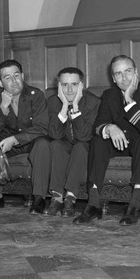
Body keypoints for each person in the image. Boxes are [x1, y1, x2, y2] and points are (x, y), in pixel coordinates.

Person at [73, 55, 140, 226]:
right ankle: (93, 205)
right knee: (98, 141)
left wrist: (129, 100)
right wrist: (109, 128)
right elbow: (98, 125)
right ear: (113, 78)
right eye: (118, 74)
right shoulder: (109, 95)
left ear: (136, 72)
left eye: (128, 71)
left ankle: (134, 206)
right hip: (121, 143)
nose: (124, 78)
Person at [0, 59, 50, 214]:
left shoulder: (35, 95)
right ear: (0, 82)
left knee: (43, 144)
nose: (14, 81)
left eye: (16, 75)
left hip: (32, 142)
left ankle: (39, 198)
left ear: (22, 76)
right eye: (7, 78)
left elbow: (42, 128)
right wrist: (3, 108)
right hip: (7, 143)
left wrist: (15, 140)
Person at [44, 67, 100, 218]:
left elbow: (84, 136)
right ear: (58, 86)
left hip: (85, 145)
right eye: (64, 85)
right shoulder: (52, 102)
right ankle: (56, 197)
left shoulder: (93, 102)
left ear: (82, 85)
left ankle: (70, 197)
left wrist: (75, 107)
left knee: (80, 147)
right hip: (65, 143)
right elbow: (54, 134)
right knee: (55, 144)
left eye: (74, 84)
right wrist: (63, 107)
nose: (69, 90)